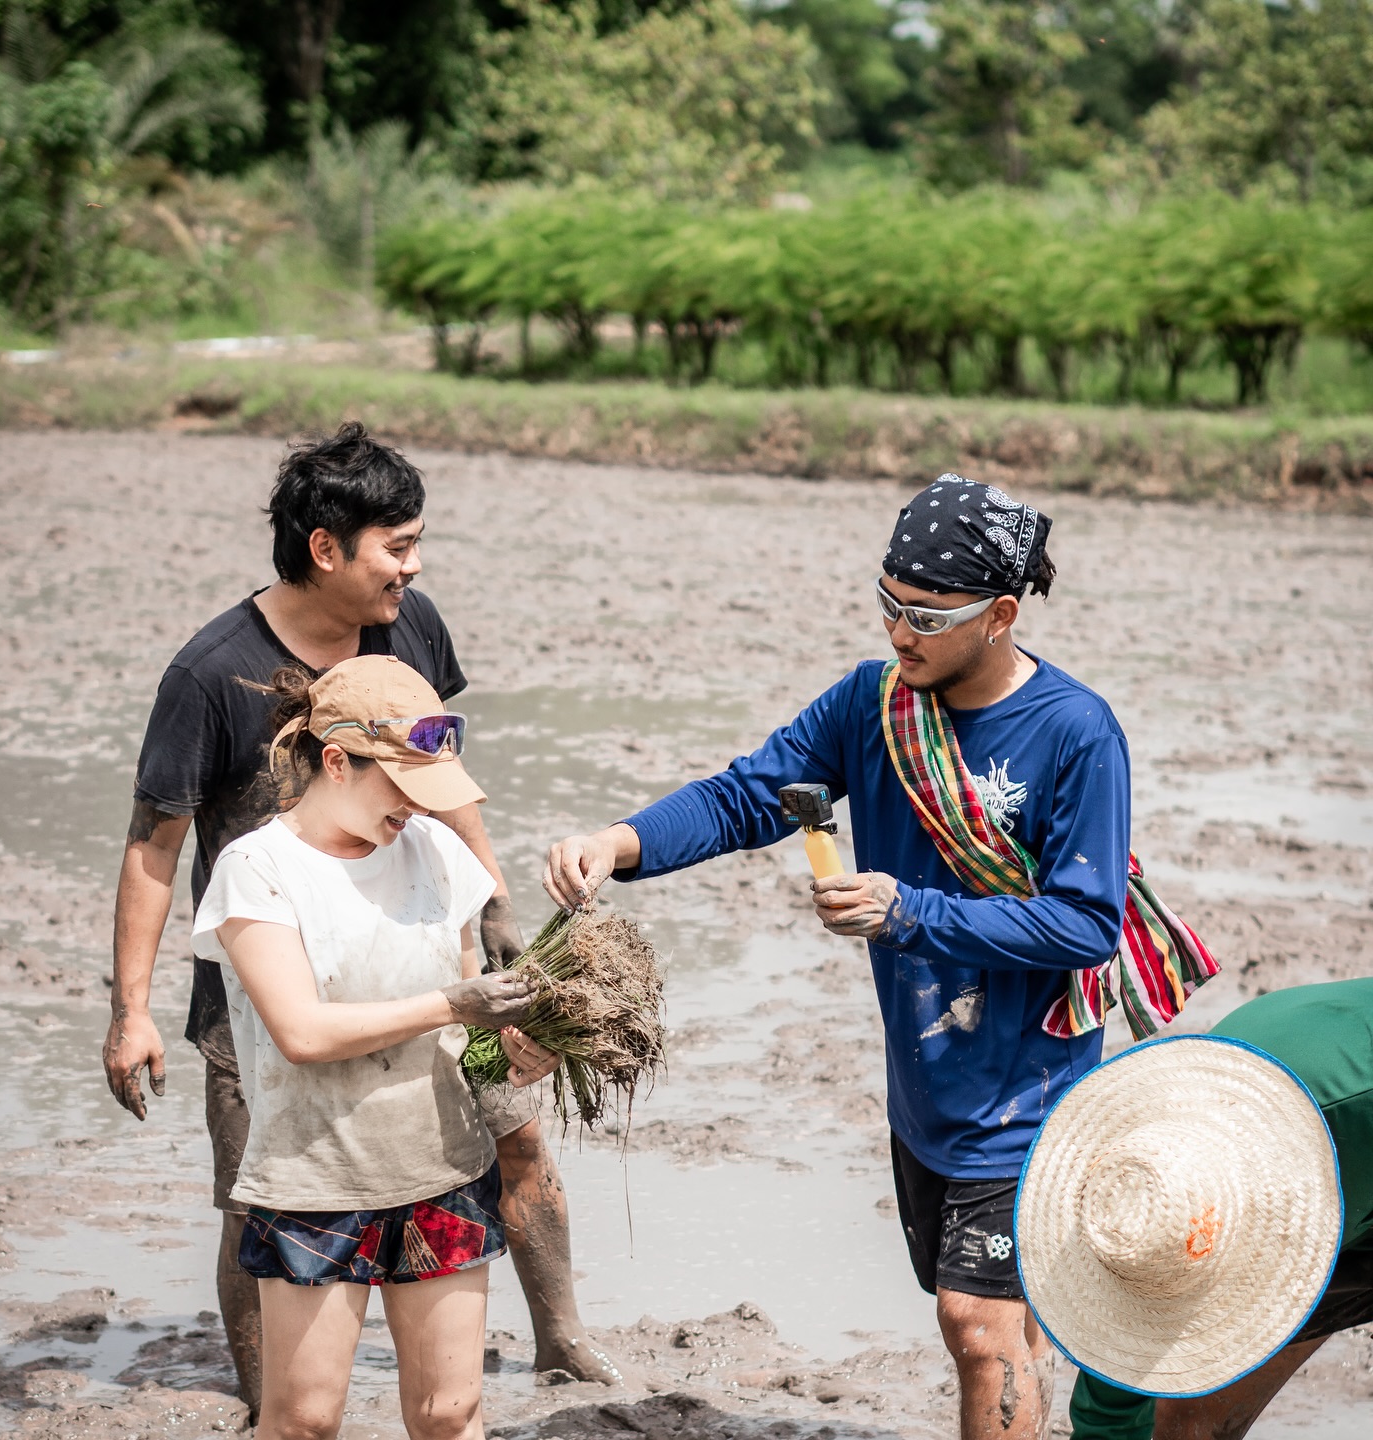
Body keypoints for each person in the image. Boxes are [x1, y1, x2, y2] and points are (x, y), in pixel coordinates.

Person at [544, 476, 1200, 1440]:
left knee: (972, 1323)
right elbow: (747, 795)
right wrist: (620, 841)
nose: (900, 631)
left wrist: (910, 909)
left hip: (1026, 1088)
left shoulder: (1075, 731)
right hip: (927, 1075)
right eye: (887, 603)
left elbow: (1084, 924)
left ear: (1002, 614)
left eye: (927, 615)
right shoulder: (873, 705)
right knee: (991, 1325)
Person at [104, 424, 631, 1422]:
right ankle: (279, 1399)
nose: (413, 565)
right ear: (325, 548)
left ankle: (560, 1337)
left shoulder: (411, 630)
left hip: (428, 966)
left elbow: (441, 781)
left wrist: (497, 914)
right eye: (396, 545)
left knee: (508, 1137)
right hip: (274, 980)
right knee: (263, 1189)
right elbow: (154, 847)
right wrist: (131, 1010)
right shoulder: (212, 678)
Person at [191, 655, 561, 1440]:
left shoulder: (436, 854)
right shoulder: (259, 870)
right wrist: (453, 1002)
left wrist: (516, 1054)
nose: (416, 812)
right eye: (403, 788)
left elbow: (468, 1039)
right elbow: (301, 1033)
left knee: (450, 1411)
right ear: (336, 760)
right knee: (304, 1420)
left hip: (441, 1171)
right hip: (316, 1181)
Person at [1027, 979, 1373, 1440]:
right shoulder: (1144, 1187)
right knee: (1190, 1413)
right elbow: (1112, 1397)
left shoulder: (1314, 1179)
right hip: (1297, 1060)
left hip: (1352, 1119)